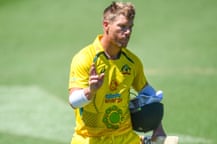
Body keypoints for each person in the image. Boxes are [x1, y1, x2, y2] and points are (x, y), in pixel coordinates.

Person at [68, 1, 166, 144]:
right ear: (106, 25)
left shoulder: (132, 62)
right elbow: (73, 102)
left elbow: (148, 95)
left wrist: (157, 126)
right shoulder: (85, 58)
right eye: (122, 27)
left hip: (125, 138)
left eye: (130, 27)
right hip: (90, 139)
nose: (128, 32)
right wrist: (91, 90)